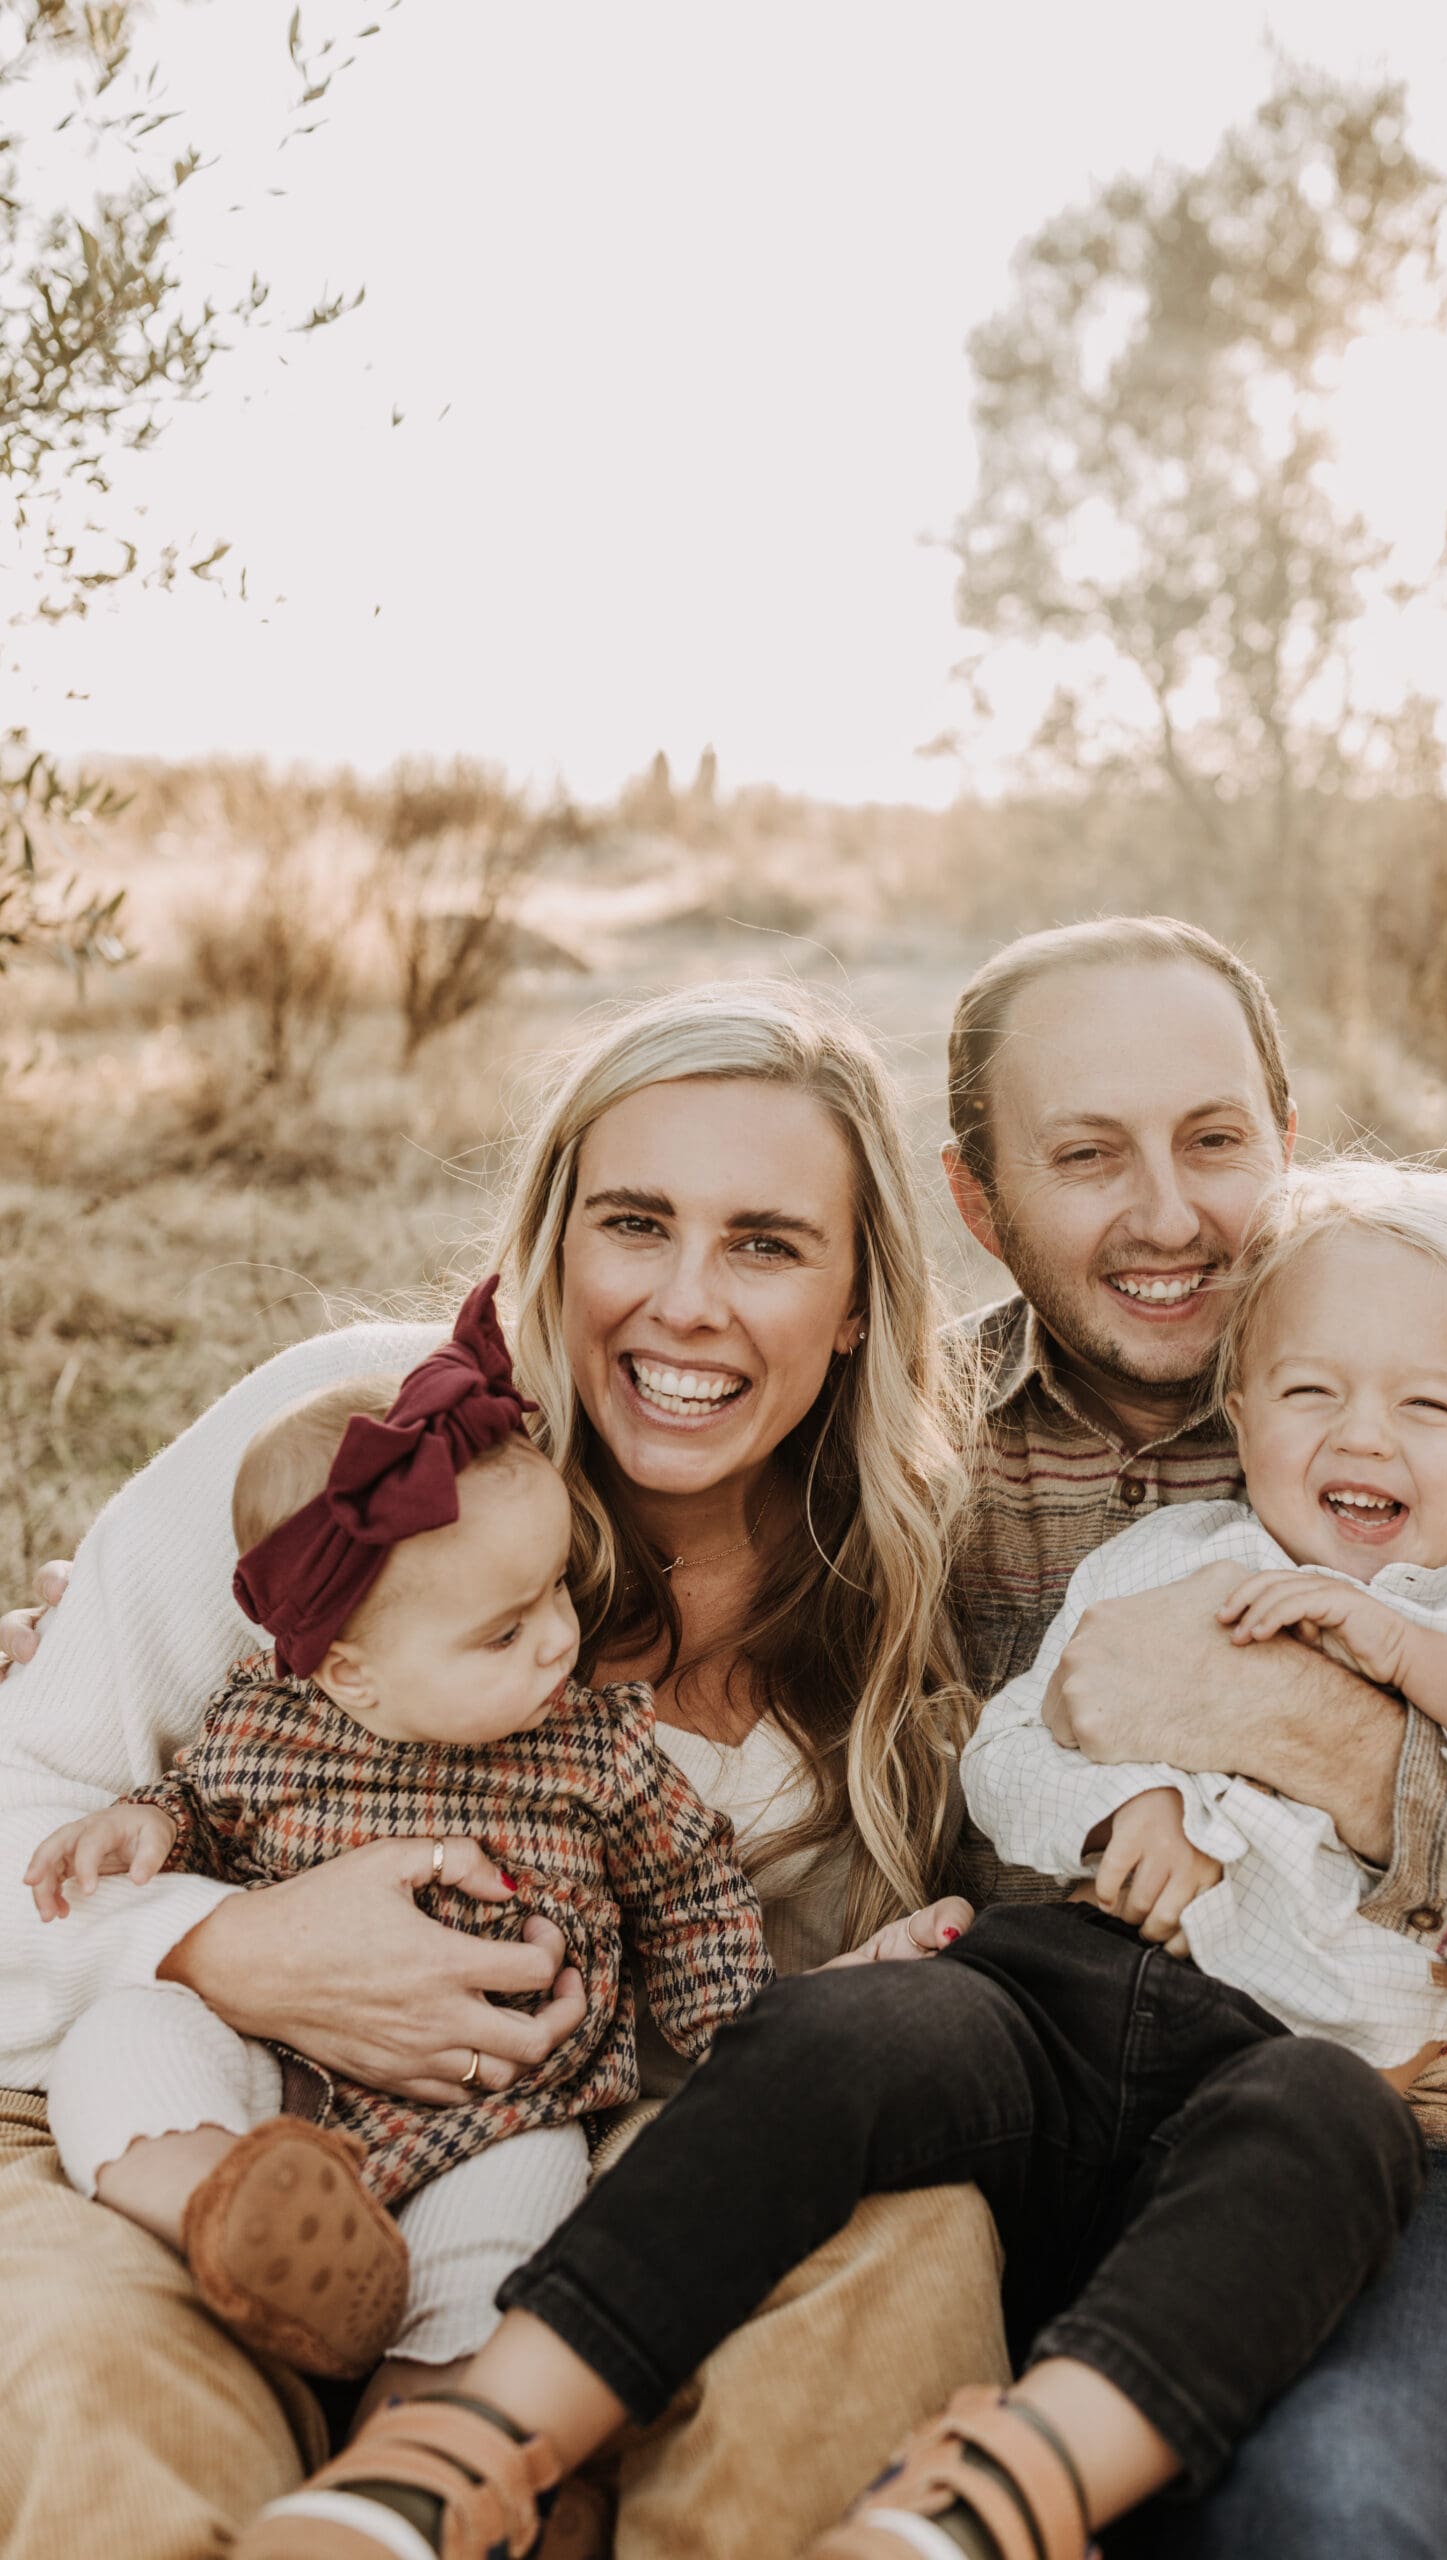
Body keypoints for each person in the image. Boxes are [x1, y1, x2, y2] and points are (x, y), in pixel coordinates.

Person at [222, 1155, 1447, 2560]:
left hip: (1315, 2068)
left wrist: (1429, 1673)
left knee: (1322, 2133)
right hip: (1076, 1995)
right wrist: (1121, 1814)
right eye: (1310, 1393)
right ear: (1237, 1416)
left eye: (1423, 1409)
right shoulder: (1167, 1558)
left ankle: (996, 2498)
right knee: (838, 2032)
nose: (1359, 1437)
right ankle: (469, 2447)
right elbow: (1008, 1754)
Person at [0, 981, 995, 2560]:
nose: (684, 1302)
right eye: (633, 1223)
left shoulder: (913, 1597)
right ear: (550, 1236)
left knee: (902, 2254)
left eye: (764, 1242)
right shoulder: (365, 1453)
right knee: (91, 2364)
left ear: (863, 1295)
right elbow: (28, 1812)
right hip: (208, 2118)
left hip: (590, 2142)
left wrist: (841, 2015)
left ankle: (469, 2453)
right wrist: (222, 1945)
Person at [938, 917, 1447, 2559]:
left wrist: (1341, 1751)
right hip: (1084, 2110)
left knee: (1336, 2509)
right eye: (1085, 1156)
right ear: (978, 1200)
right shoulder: (926, 1456)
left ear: (1282, 1143)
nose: (1166, 1213)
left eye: (1212, 1141)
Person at [23, 1277, 771, 2397]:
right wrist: (146, 1820)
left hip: (496, 2108)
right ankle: (225, 2211)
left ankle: (427, 2398)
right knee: (127, 2035)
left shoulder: (598, 1750)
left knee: (515, 2213)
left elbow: (693, 1893)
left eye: (558, 1589)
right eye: (504, 1628)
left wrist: (743, 2042)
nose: (559, 1638)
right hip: (276, 2078)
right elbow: (198, 1799)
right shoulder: (269, 1720)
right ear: (350, 1675)